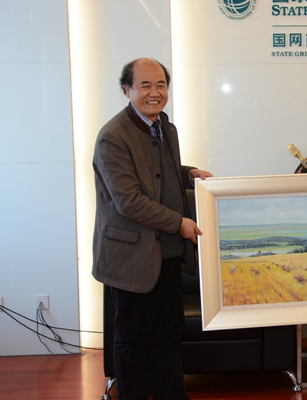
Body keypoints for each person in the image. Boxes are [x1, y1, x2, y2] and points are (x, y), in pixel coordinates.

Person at [92, 58, 212, 400]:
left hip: (167, 250)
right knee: (133, 338)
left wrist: (188, 173)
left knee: (168, 334)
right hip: (130, 255)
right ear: (127, 89)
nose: (154, 92)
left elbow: (159, 170)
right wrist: (179, 223)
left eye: (161, 85)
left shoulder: (163, 126)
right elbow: (128, 200)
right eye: (145, 85)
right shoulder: (113, 137)